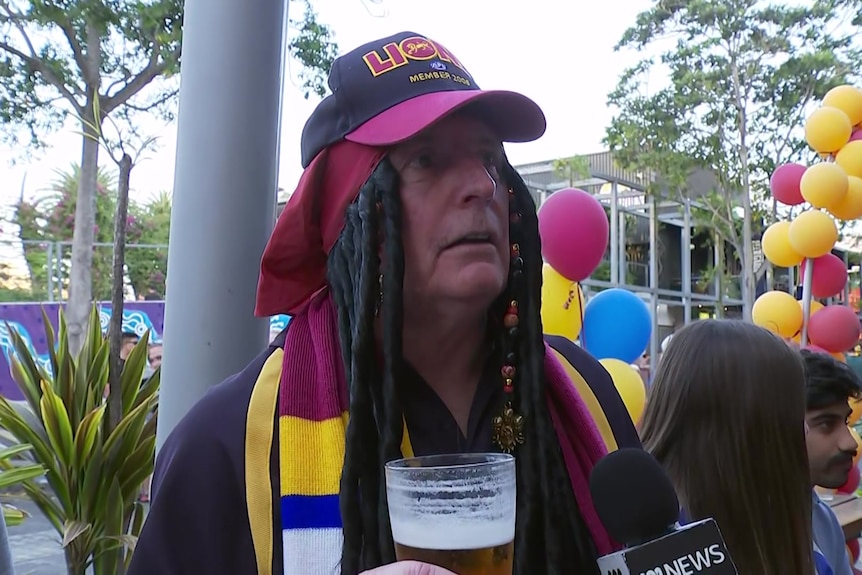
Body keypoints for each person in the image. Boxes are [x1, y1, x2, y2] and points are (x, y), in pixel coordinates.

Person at [128, 31, 640, 575]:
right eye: (426, 159)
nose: (481, 184)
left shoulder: (584, 391)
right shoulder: (228, 442)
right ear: (349, 217)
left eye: (490, 157)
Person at [640, 320, 816, 575]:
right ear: (753, 424)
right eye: (794, 414)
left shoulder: (775, 527)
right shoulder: (664, 553)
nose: (805, 430)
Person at [801, 349, 862, 575]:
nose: (850, 443)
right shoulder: (717, 535)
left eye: (846, 421)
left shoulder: (823, 519)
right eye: (826, 423)